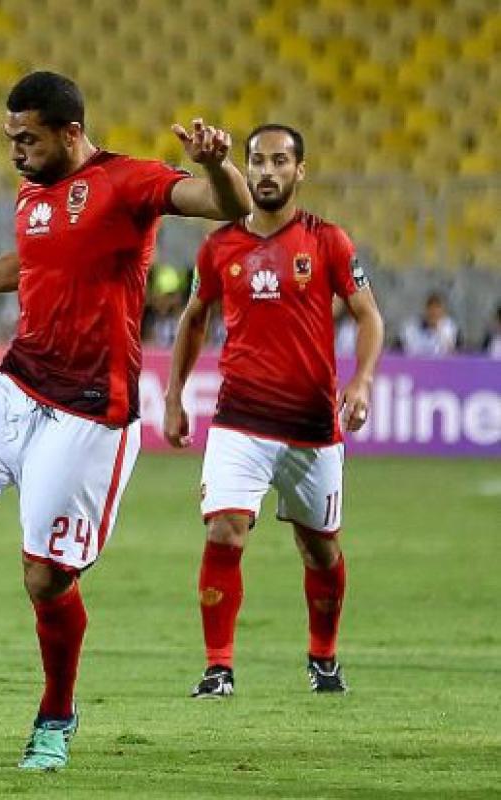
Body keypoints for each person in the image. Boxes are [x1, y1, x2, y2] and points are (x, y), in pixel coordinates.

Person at [0, 71, 252, 772]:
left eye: (27, 138)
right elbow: (30, 260)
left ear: (70, 133)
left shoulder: (129, 182)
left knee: (44, 579)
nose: (15, 150)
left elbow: (226, 203)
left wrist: (218, 163)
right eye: (10, 137)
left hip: (91, 414)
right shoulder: (33, 191)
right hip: (18, 383)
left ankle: (55, 714)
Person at [163, 123, 384, 699]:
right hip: (240, 420)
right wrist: (174, 396)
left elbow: (368, 316)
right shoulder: (219, 248)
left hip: (312, 427)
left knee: (319, 547)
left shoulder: (328, 241)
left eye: (279, 161)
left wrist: (359, 382)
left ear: (299, 172)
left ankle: (324, 658)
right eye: (257, 160)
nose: (266, 171)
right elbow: (194, 318)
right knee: (225, 531)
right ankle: (218, 667)